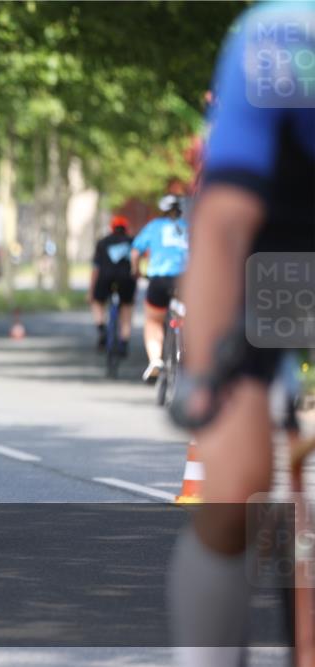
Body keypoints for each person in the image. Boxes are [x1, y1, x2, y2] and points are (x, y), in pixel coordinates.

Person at [166, 4, 314, 665]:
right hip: (281, 238)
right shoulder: (284, 38)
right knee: (237, 486)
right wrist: (206, 377)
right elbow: (223, 225)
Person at [131, 194, 189, 382]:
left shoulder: (154, 226)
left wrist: (137, 272)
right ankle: (185, 350)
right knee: (187, 316)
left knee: (154, 320)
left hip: (159, 279)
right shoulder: (190, 227)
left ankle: (155, 360)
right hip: (185, 280)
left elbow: (135, 252)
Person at [88, 215, 136, 355]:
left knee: (97, 302)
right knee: (126, 308)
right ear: (126, 228)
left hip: (105, 278)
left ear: (112, 228)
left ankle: (101, 328)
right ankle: (124, 342)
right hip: (126, 279)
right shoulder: (132, 242)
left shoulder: (102, 242)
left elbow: (96, 268)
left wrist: (91, 291)